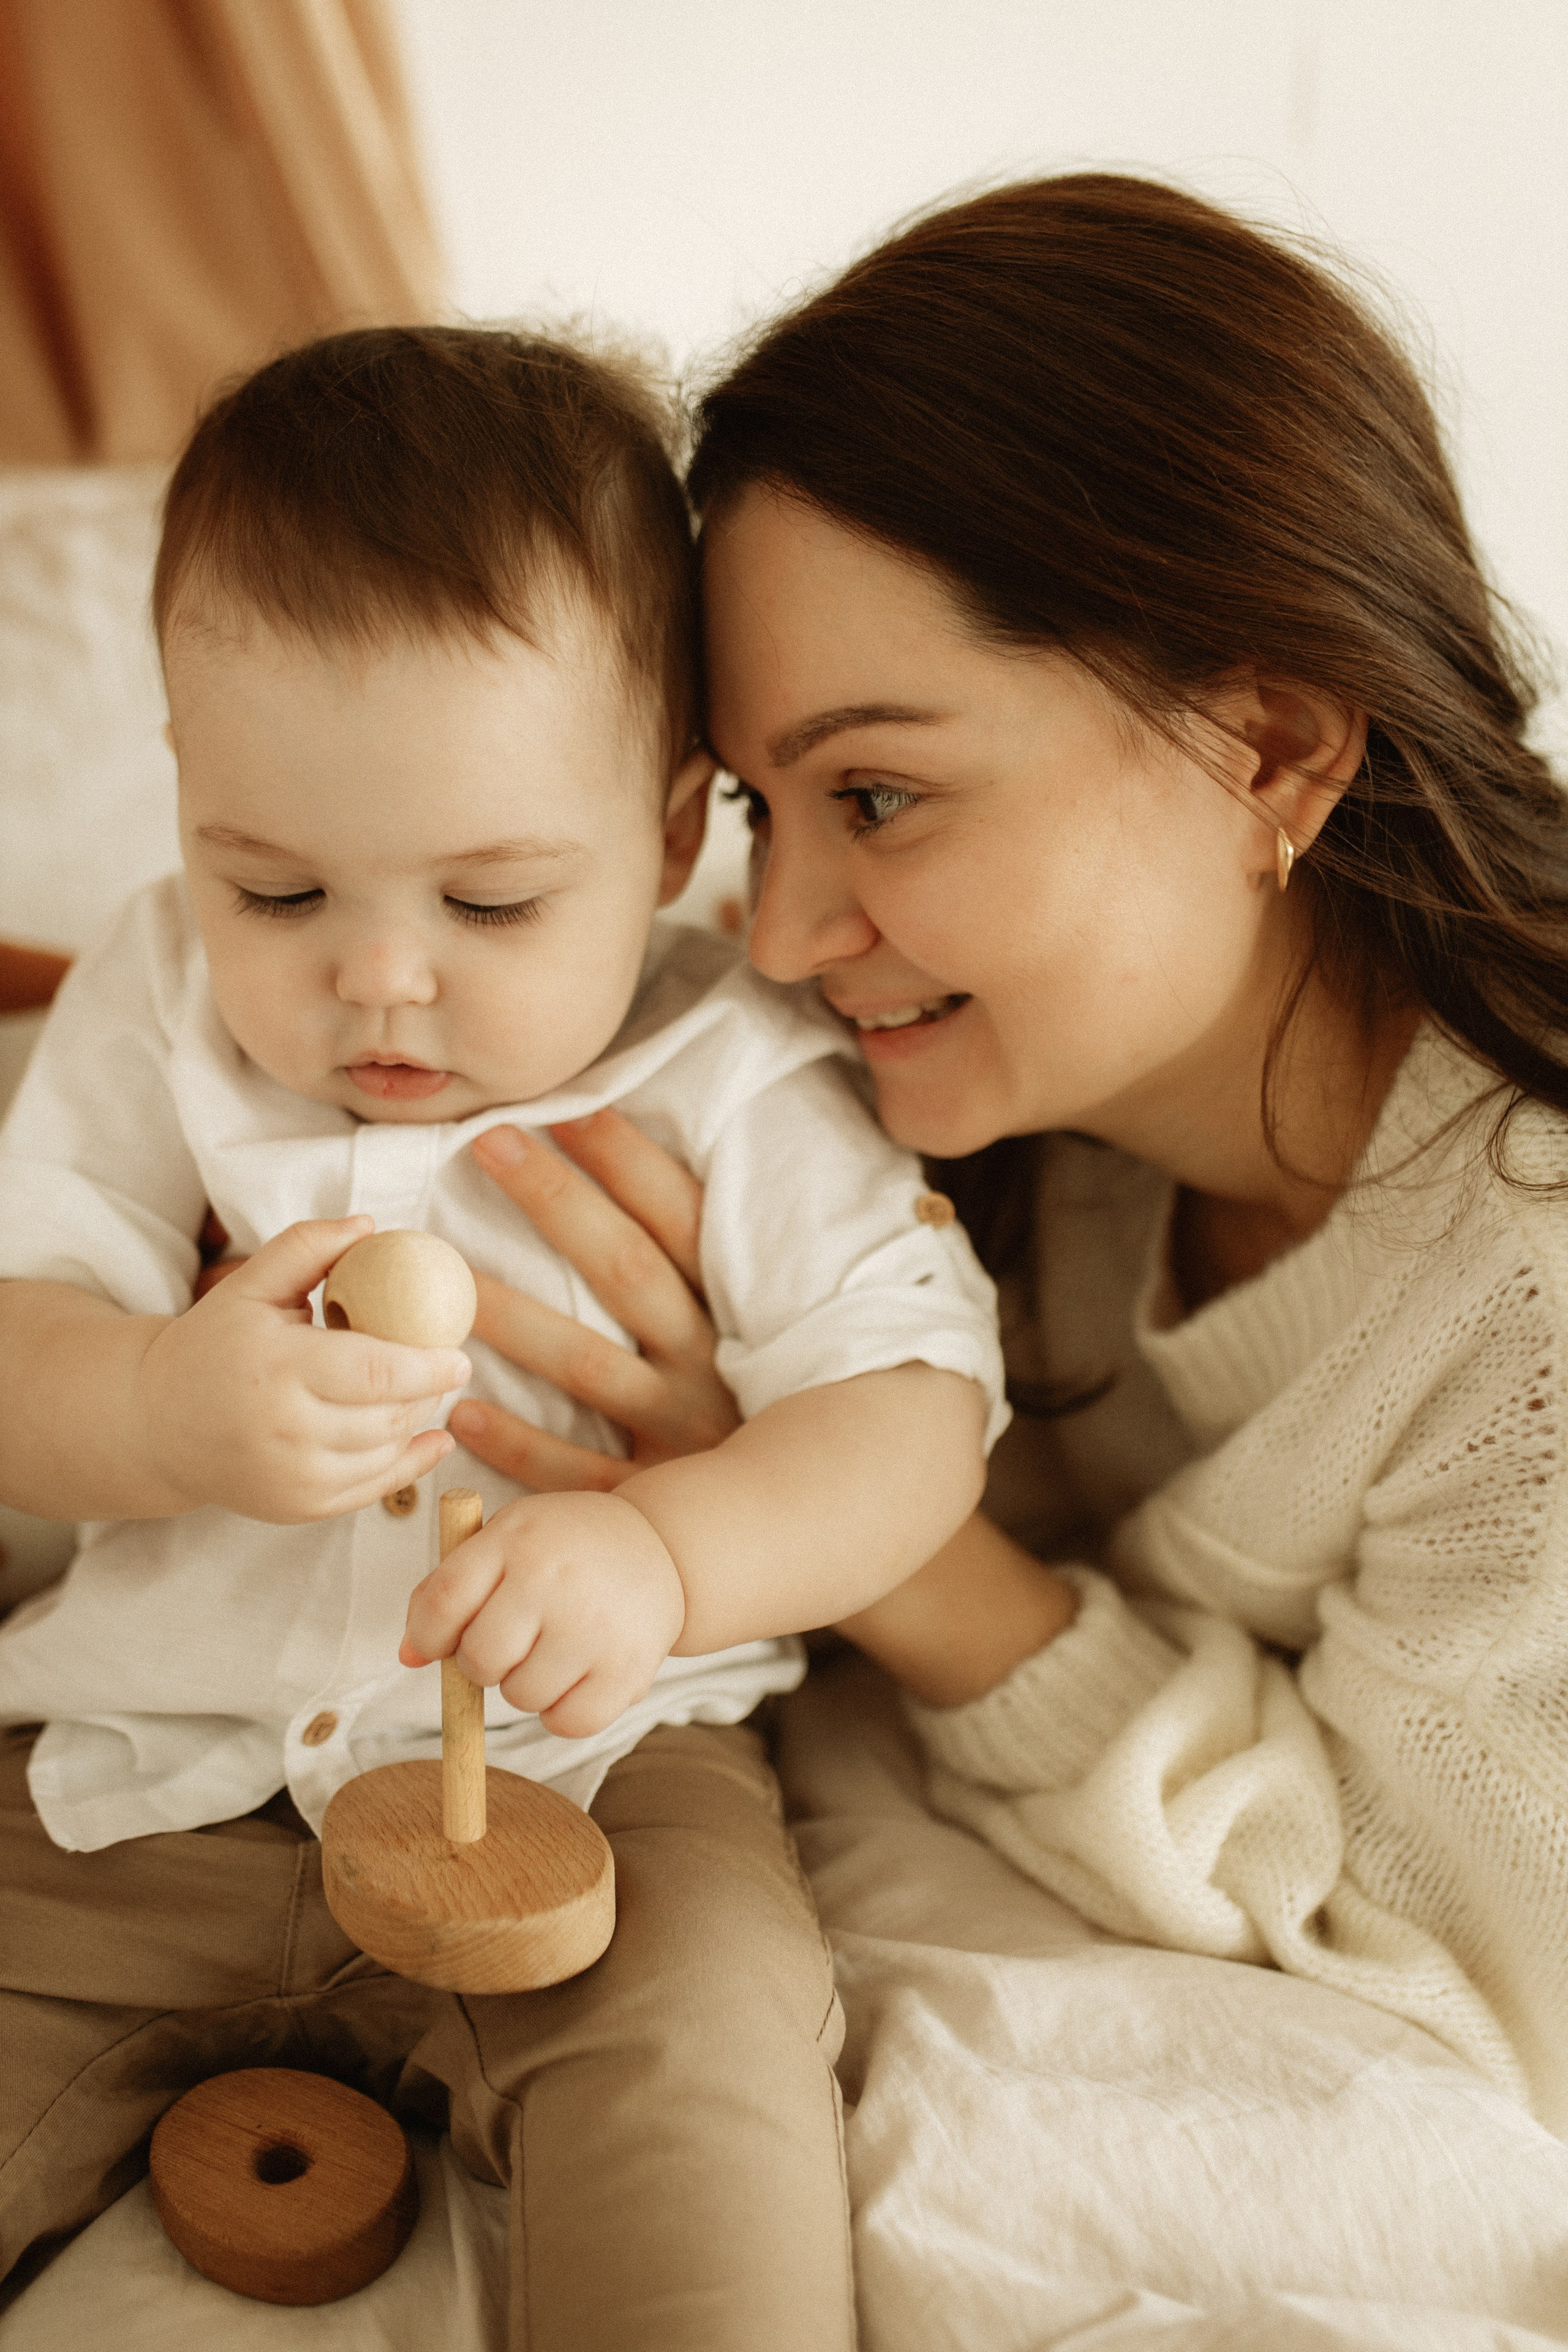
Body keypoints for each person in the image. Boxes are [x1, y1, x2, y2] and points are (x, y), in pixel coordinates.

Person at [447, 175, 1568, 2136]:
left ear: (1273, 748)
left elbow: (1456, 1953)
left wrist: (852, 1515)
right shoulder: (999, 1082)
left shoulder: (1525, 1302)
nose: (782, 932)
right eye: (755, 808)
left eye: (880, 795)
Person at [0, 325, 1007, 2345]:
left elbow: (913, 1412)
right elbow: (23, 1340)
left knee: (707, 2093)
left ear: (667, 838)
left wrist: (669, 1550)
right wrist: (151, 1408)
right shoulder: (154, 996)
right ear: (191, 808)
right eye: (273, 883)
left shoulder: (737, 1070)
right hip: (148, 1774)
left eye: (492, 902)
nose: (379, 979)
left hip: (599, 1785)